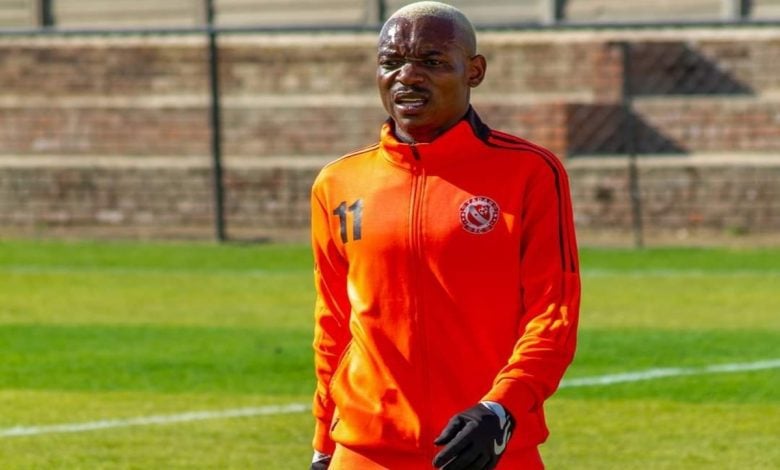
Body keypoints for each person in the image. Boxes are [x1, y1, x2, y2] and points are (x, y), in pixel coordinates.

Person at [309, 2, 580, 469]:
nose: (407, 77)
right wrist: (324, 442)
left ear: (474, 72)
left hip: (488, 445)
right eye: (391, 62)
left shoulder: (529, 173)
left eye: (432, 63)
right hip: (365, 450)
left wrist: (501, 408)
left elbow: (551, 316)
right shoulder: (338, 182)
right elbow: (334, 323)